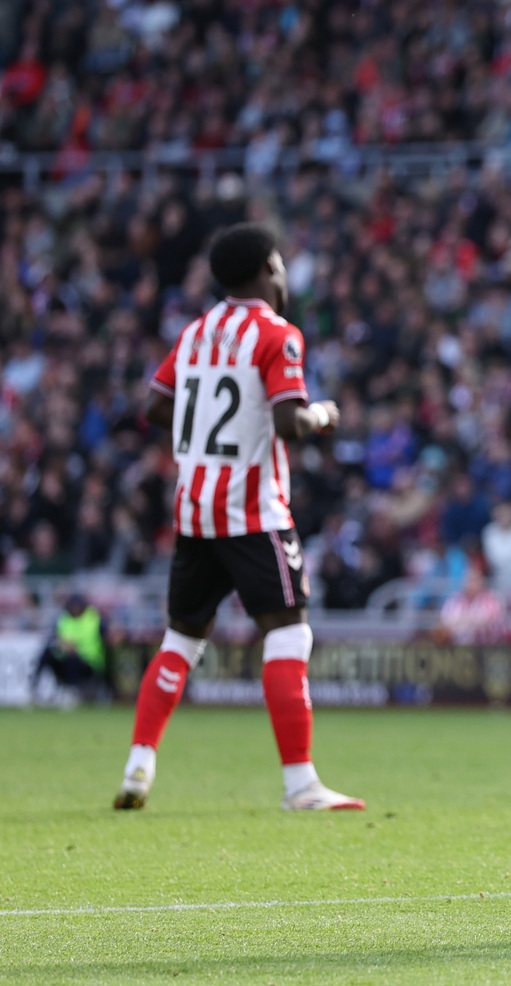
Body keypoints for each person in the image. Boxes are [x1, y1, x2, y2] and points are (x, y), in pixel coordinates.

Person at [113, 223, 365, 813]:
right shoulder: (277, 334)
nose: (282, 277)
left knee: (180, 640)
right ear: (266, 271)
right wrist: (326, 414)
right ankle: (300, 783)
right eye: (278, 266)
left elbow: (153, 405)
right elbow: (289, 423)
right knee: (288, 632)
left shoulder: (197, 332)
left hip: (194, 510)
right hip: (254, 511)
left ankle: (138, 765)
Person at [35, 593, 110, 703]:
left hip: (90, 662)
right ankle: (35, 687)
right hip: (67, 656)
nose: (75, 609)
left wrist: (75, 649)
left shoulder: (94, 618)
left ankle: (72, 692)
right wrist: (62, 645)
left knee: (72, 660)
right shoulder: (64, 619)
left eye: (77, 606)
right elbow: (57, 638)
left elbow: (105, 638)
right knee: (48, 653)